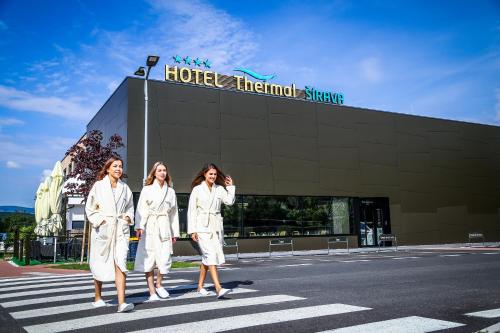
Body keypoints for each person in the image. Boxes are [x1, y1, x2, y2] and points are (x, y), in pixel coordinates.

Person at [85, 157, 135, 312]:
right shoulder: (98, 186)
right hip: (104, 229)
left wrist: (128, 217)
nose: (118, 169)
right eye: (115, 166)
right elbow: (90, 208)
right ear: (107, 169)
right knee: (100, 262)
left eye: (120, 166)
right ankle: (98, 297)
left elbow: (130, 207)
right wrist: (100, 221)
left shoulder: (125, 188)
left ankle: (122, 303)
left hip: (120, 229)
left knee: (121, 262)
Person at [188, 163, 235, 298]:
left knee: (207, 258)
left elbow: (230, 202)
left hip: (215, 226)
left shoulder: (219, 189)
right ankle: (218, 288)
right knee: (211, 256)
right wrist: (192, 230)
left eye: (215, 174)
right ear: (204, 174)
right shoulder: (197, 190)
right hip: (201, 227)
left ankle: (200, 286)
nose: (213, 176)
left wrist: (230, 187)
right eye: (210, 174)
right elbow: (192, 211)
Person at [134, 162, 179, 301]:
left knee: (165, 259)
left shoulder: (170, 191)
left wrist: (175, 232)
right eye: (159, 170)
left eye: (164, 170)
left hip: (164, 226)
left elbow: (174, 214)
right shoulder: (147, 189)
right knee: (149, 259)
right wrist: (139, 226)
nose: (162, 173)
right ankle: (152, 292)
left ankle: (159, 284)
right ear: (154, 173)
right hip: (150, 228)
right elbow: (141, 209)